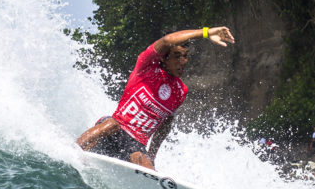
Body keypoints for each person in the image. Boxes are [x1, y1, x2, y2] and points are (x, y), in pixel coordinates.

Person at [75, 27, 235, 170]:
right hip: (115, 129)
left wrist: (152, 156)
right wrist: (206, 32)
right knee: (111, 124)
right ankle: (72, 151)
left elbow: (166, 125)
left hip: (135, 145)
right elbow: (167, 41)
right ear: (164, 58)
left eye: (185, 56)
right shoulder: (146, 66)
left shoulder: (180, 91)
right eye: (177, 56)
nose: (182, 62)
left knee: (147, 167)